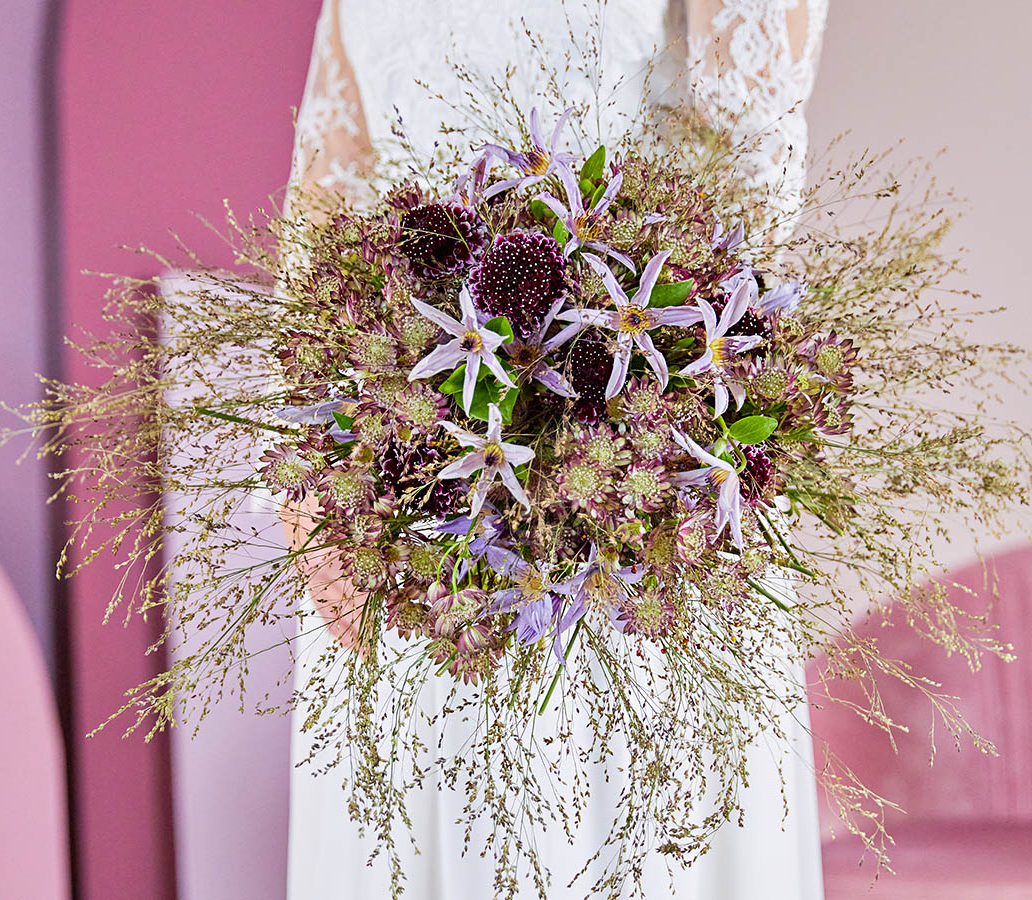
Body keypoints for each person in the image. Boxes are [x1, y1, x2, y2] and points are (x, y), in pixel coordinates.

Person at [283, 3, 828, 897]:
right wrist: (311, 474)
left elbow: (750, 186)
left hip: (628, 493)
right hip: (402, 500)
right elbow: (323, 213)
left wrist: (657, 435)